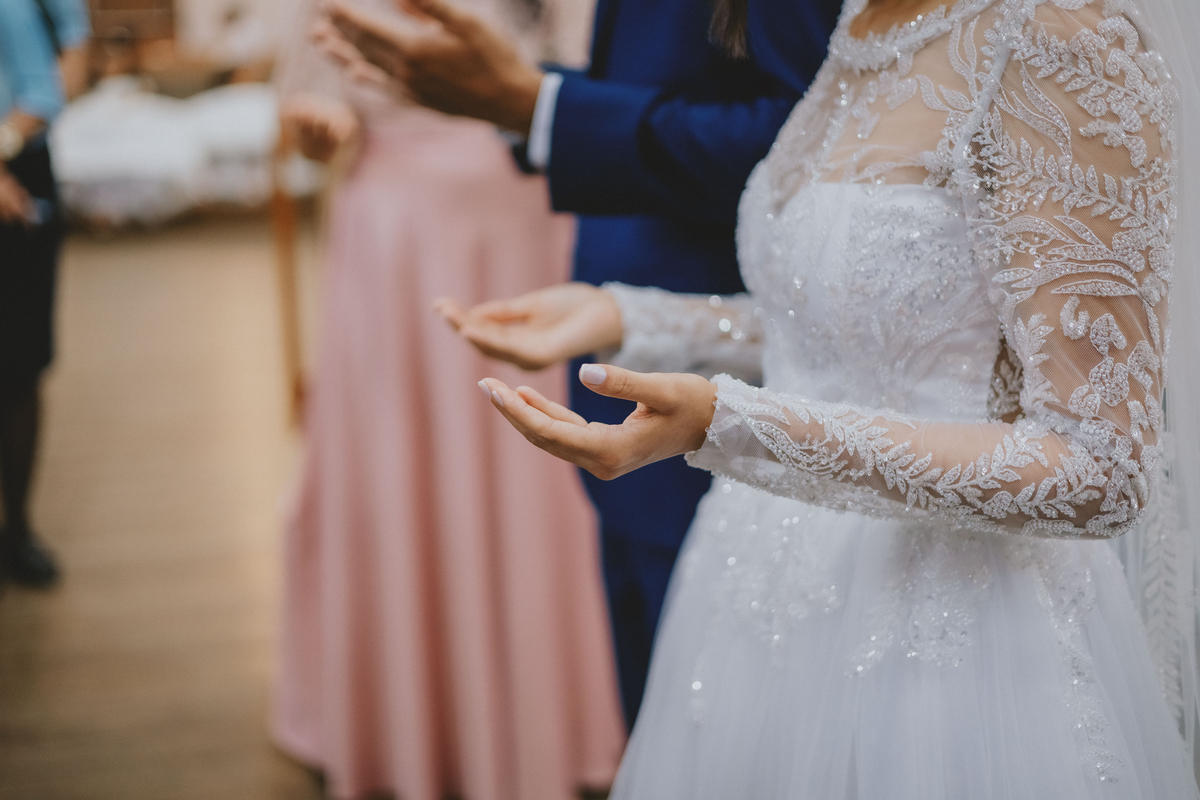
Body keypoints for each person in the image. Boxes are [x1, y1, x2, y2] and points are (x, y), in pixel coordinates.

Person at [439, 0, 1200, 795]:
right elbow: (852, 336)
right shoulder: (862, 21)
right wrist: (632, 317)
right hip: (753, 606)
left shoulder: (1058, 38)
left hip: (949, 650)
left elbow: (1100, 466)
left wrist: (734, 426)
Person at [319, 0, 843, 726]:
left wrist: (537, 105)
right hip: (631, 368)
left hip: (733, 412)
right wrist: (504, 96)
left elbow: (817, 129)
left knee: (725, 724)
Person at [271, 1, 625, 798]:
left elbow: (591, 62)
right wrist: (321, 123)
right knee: (399, 466)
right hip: (397, 237)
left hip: (526, 218)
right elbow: (309, 88)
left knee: (533, 467)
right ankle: (402, 717)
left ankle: (549, 712)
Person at [0, 0, 90, 588]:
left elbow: (63, 72)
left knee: (20, 362)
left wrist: (5, 143)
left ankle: (18, 529)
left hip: (22, 175)